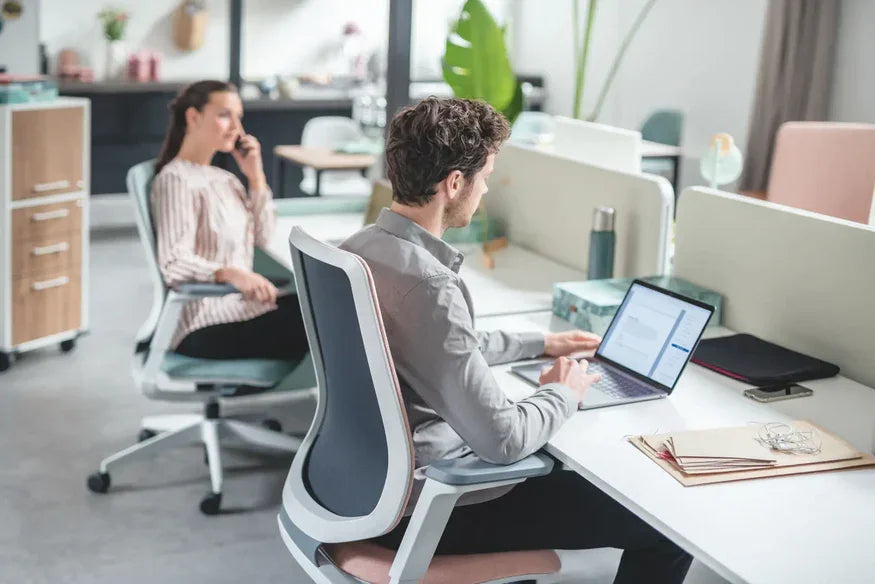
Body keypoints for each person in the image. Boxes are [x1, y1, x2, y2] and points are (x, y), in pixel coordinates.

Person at [340, 97, 693, 584]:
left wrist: (539, 342)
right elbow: (503, 441)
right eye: (483, 177)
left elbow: (440, 343)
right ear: (455, 183)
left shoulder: (359, 250)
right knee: (665, 524)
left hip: (361, 487)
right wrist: (564, 391)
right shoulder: (430, 285)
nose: (484, 191)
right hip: (432, 507)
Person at [150, 80, 308, 364]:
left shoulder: (226, 179)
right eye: (225, 115)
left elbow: (261, 238)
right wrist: (231, 273)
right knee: (324, 317)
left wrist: (256, 177)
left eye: (239, 117)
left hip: (242, 310)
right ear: (193, 117)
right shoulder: (176, 180)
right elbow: (173, 262)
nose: (236, 127)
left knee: (322, 306)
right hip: (203, 324)